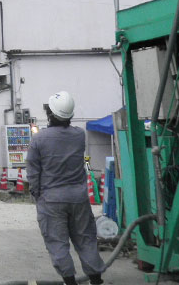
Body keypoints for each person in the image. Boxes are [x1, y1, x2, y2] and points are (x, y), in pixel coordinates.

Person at [26, 91, 105, 285]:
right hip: (79, 198)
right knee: (86, 239)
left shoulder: (39, 139)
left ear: (50, 114)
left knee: (57, 242)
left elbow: (33, 171)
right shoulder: (79, 135)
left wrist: (37, 194)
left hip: (51, 199)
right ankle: (96, 280)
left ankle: (69, 281)